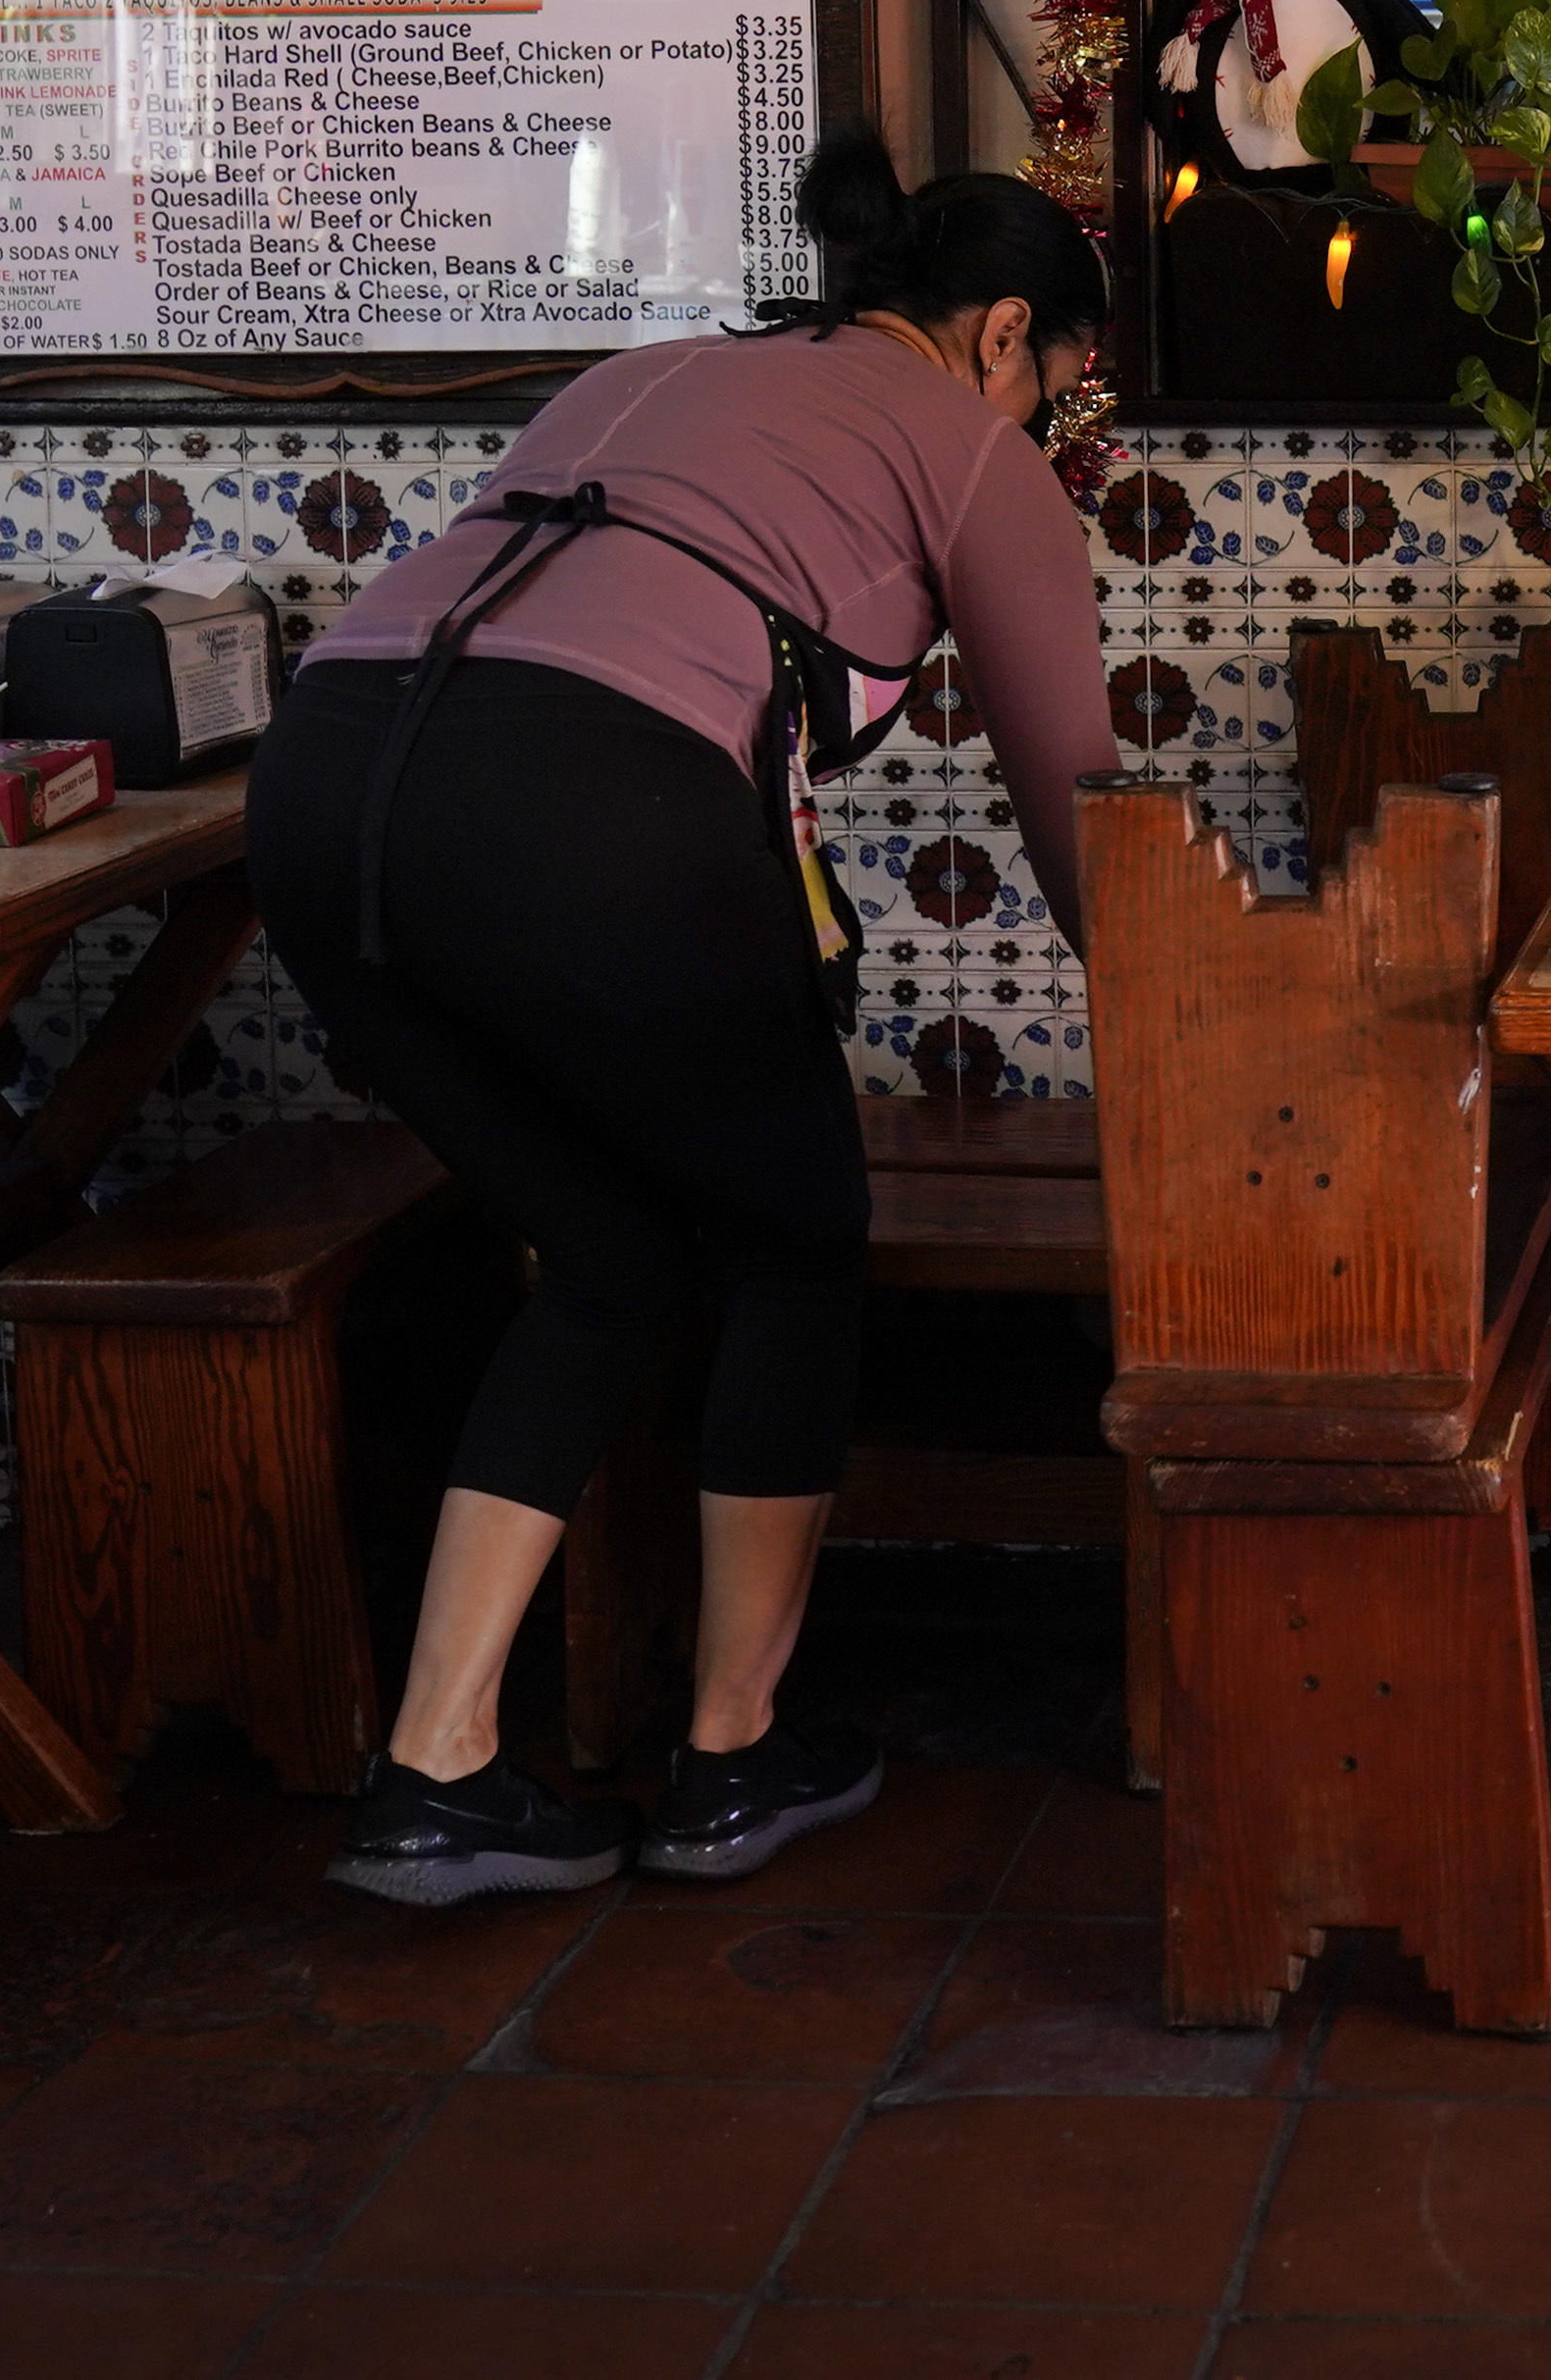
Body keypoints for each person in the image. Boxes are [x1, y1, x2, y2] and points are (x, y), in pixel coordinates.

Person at [253, 133, 1117, 1902]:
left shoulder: (648, 368)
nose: (1050, 427)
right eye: (1062, 390)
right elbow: (1080, 808)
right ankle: (735, 1749)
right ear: (1005, 331)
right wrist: (1187, 1016)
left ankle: (436, 1770)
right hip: (590, 811)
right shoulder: (971, 448)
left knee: (615, 1252)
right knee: (794, 1241)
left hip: (324, 792)